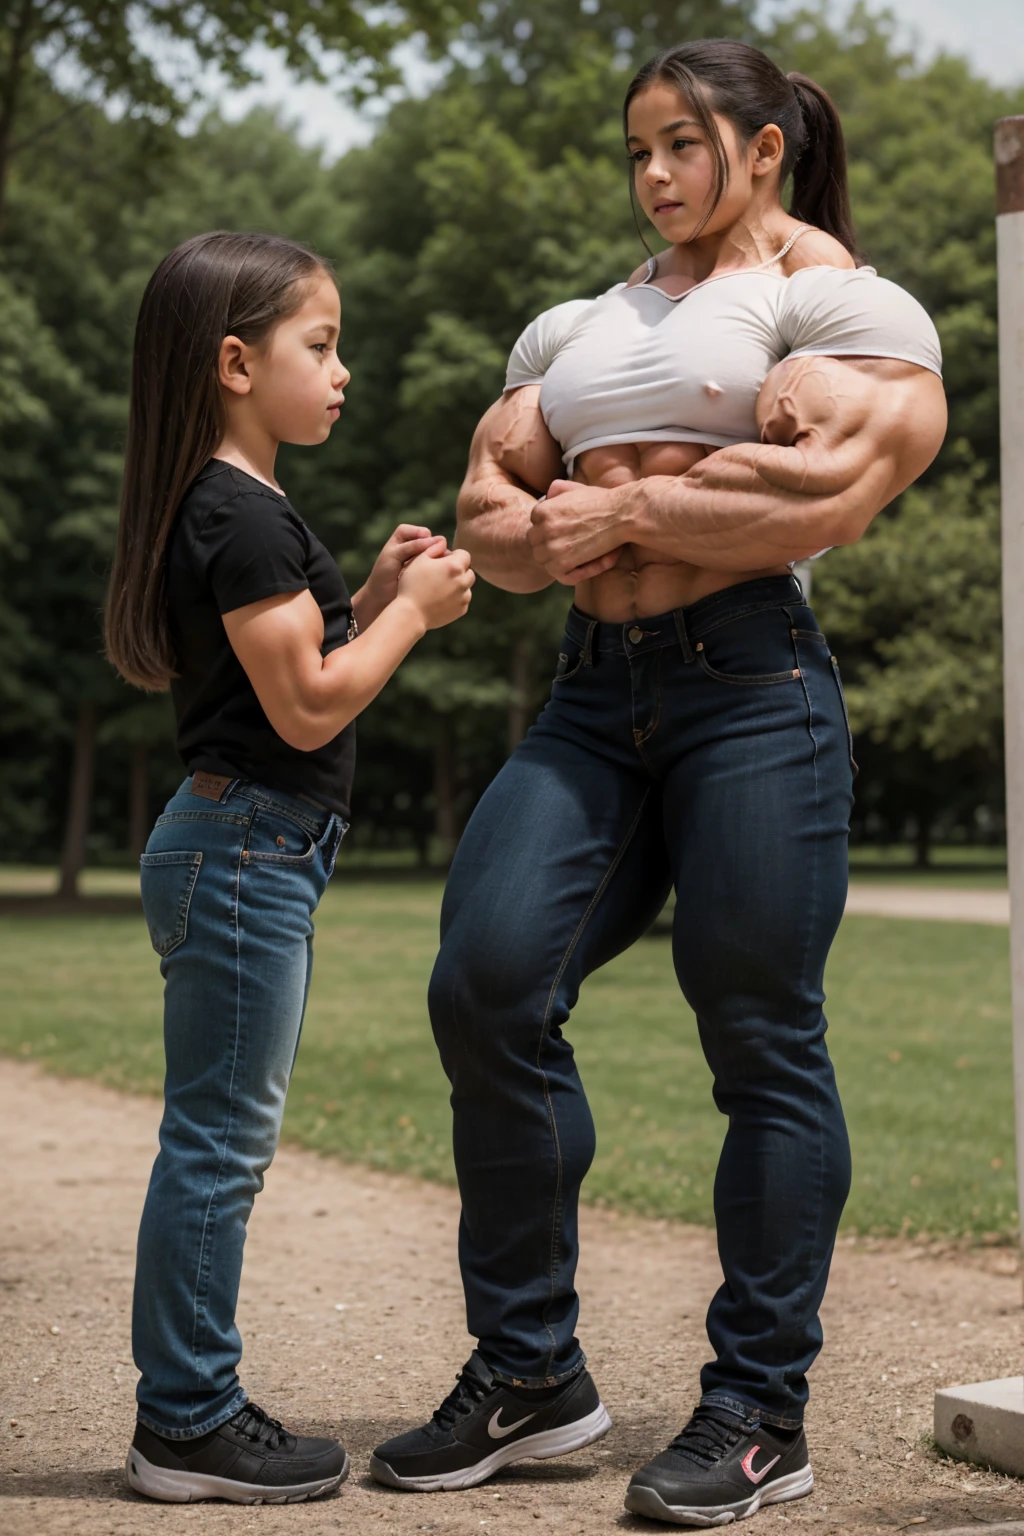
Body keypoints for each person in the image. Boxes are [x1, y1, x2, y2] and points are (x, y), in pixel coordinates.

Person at [370, 39, 946, 1526]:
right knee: (486, 980)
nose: (655, 175)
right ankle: (532, 1374)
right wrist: (618, 510)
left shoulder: (838, 300)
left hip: (755, 689)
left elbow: (833, 489)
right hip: (591, 693)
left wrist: (615, 498)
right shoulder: (579, 322)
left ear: (762, 149)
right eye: (638, 151)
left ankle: (760, 1406)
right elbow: (491, 511)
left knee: (758, 1030)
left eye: (682, 145)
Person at [104, 230, 474, 1505]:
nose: (343, 371)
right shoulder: (239, 513)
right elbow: (312, 709)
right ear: (232, 362)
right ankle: (189, 1421)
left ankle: (186, 1409)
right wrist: (411, 622)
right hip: (249, 845)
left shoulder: (230, 508)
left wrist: (367, 594)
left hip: (245, 841)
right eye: (320, 346)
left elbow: (290, 680)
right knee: (219, 1144)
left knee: (216, 1138)